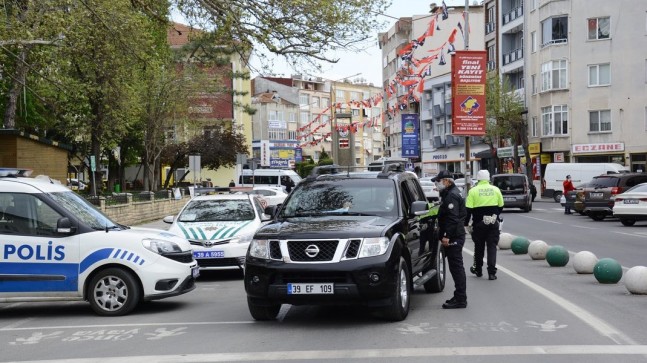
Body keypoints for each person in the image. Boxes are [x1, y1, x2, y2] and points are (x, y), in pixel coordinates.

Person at [431, 170, 467, 309]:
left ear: (446, 181)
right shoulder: (452, 193)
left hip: (454, 236)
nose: (437, 184)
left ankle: (460, 299)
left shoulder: (452, 195)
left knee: (456, 268)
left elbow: (453, 218)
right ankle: (459, 296)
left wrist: (446, 235)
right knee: (455, 267)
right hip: (456, 234)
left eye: (438, 181)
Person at [464, 169, 504, 281]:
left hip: (479, 224)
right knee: (492, 247)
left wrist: (466, 224)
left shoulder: (473, 191)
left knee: (479, 247)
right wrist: (495, 215)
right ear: (488, 179)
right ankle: (491, 273)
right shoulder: (496, 189)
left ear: (478, 179)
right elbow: (501, 206)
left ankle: (478, 269)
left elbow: (468, 210)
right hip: (493, 222)